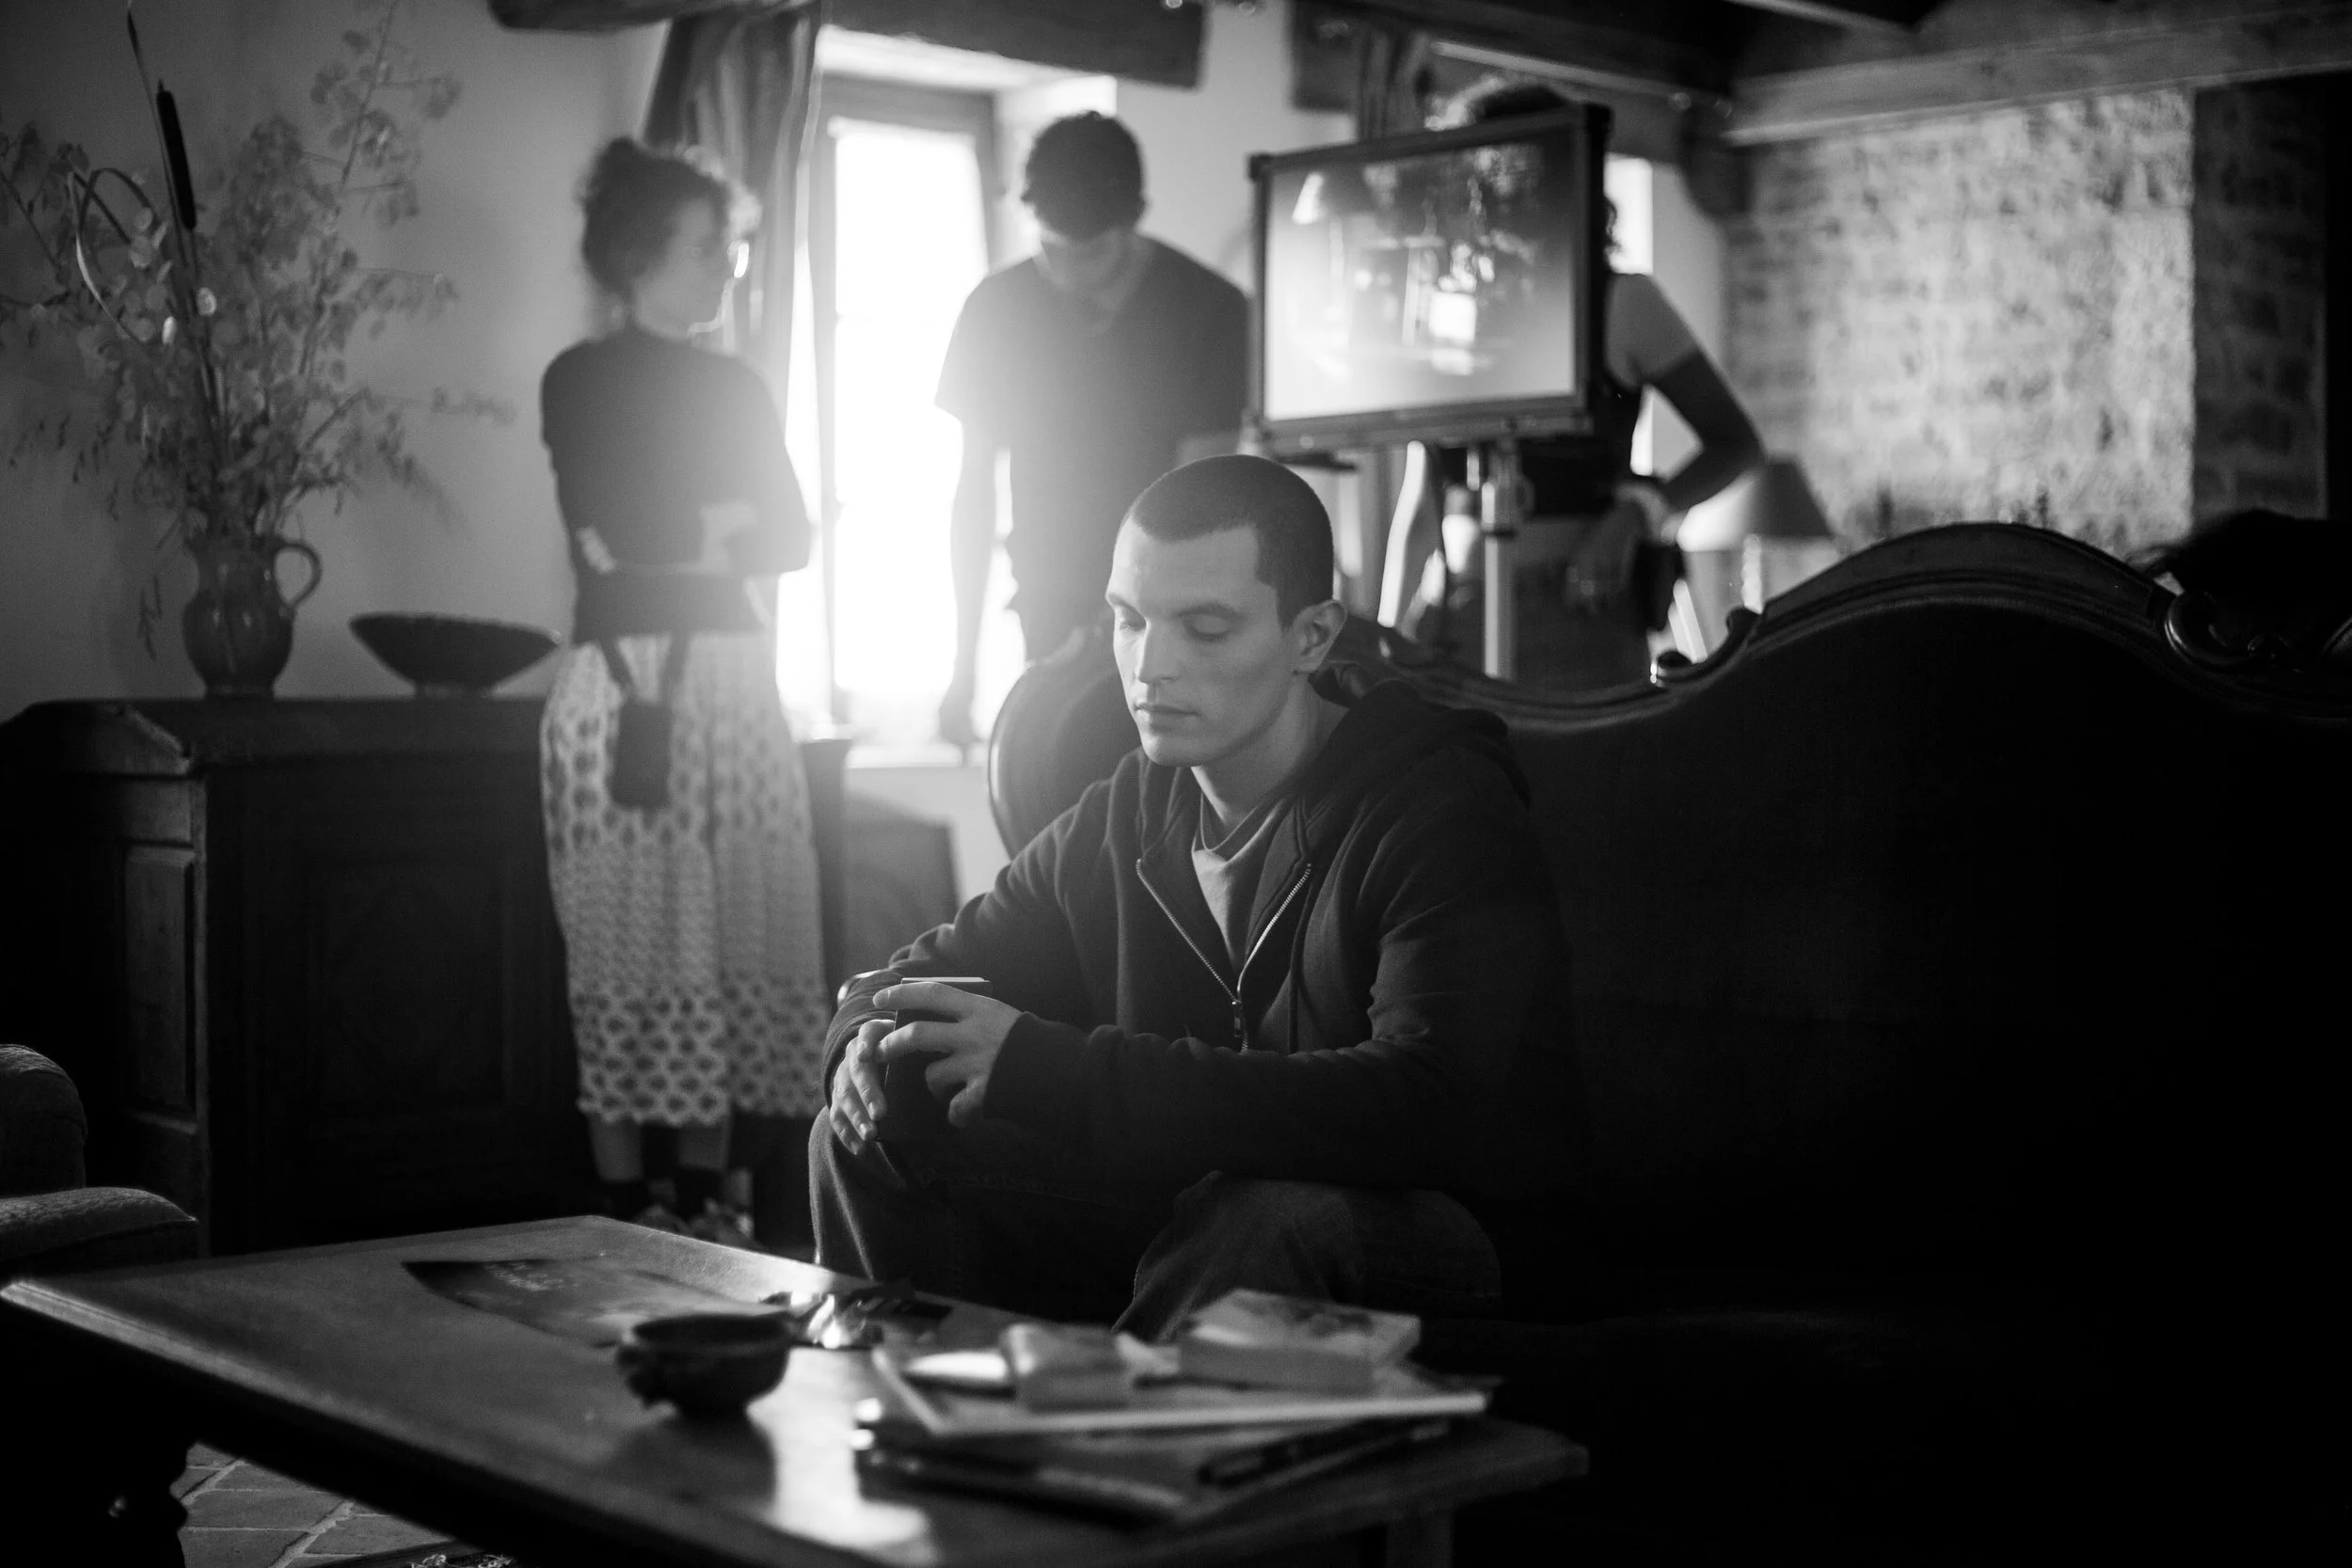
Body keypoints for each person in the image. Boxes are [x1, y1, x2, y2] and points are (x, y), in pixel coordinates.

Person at [810, 454, 1580, 1336]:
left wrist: (1051, 1070)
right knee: (867, 1133)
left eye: (1205, 628)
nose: (1151, 666)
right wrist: (861, 1046)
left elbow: (1422, 1107)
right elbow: (910, 977)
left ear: (1312, 637)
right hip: (1205, 1211)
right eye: (1129, 620)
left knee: (1272, 1213)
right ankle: (927, 1409)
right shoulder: (1128, 811)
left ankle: (1121, 1424)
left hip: (1449, 1238)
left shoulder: (1440, 806)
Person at [539, 139, 831, 1245]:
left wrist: (683, 529)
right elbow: (613, 530)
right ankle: (627, 1202)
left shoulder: (737, 383)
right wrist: (710, 524)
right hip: (624, 689)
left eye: (730, 246)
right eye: (707, 246)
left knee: (736, 932)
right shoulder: (579, 377)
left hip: (736, 686)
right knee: (623, 936)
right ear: (637, 252)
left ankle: (711, 1202)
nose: (727, 266)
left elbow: (791, 535)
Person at [1404, 82, 1763, 692]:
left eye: (1519, 173)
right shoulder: (1451, 316)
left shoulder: (1623, 301)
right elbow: (1423, 494)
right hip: (1450, 617)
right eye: (1481, 176)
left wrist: (1638, 512)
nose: (1495, 196)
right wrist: (1389, 638)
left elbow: (1735, 443)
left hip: (1574, 612)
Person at [934, 112, 1250, 747]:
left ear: (1135, 219)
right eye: (1052, 250)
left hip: (1170, 615)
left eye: (1091, 253)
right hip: (1048, 611)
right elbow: (973, 495)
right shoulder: (996, 309)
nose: (1069, 273)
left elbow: (1203, 496)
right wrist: (962, 666)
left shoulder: (1208, 309)